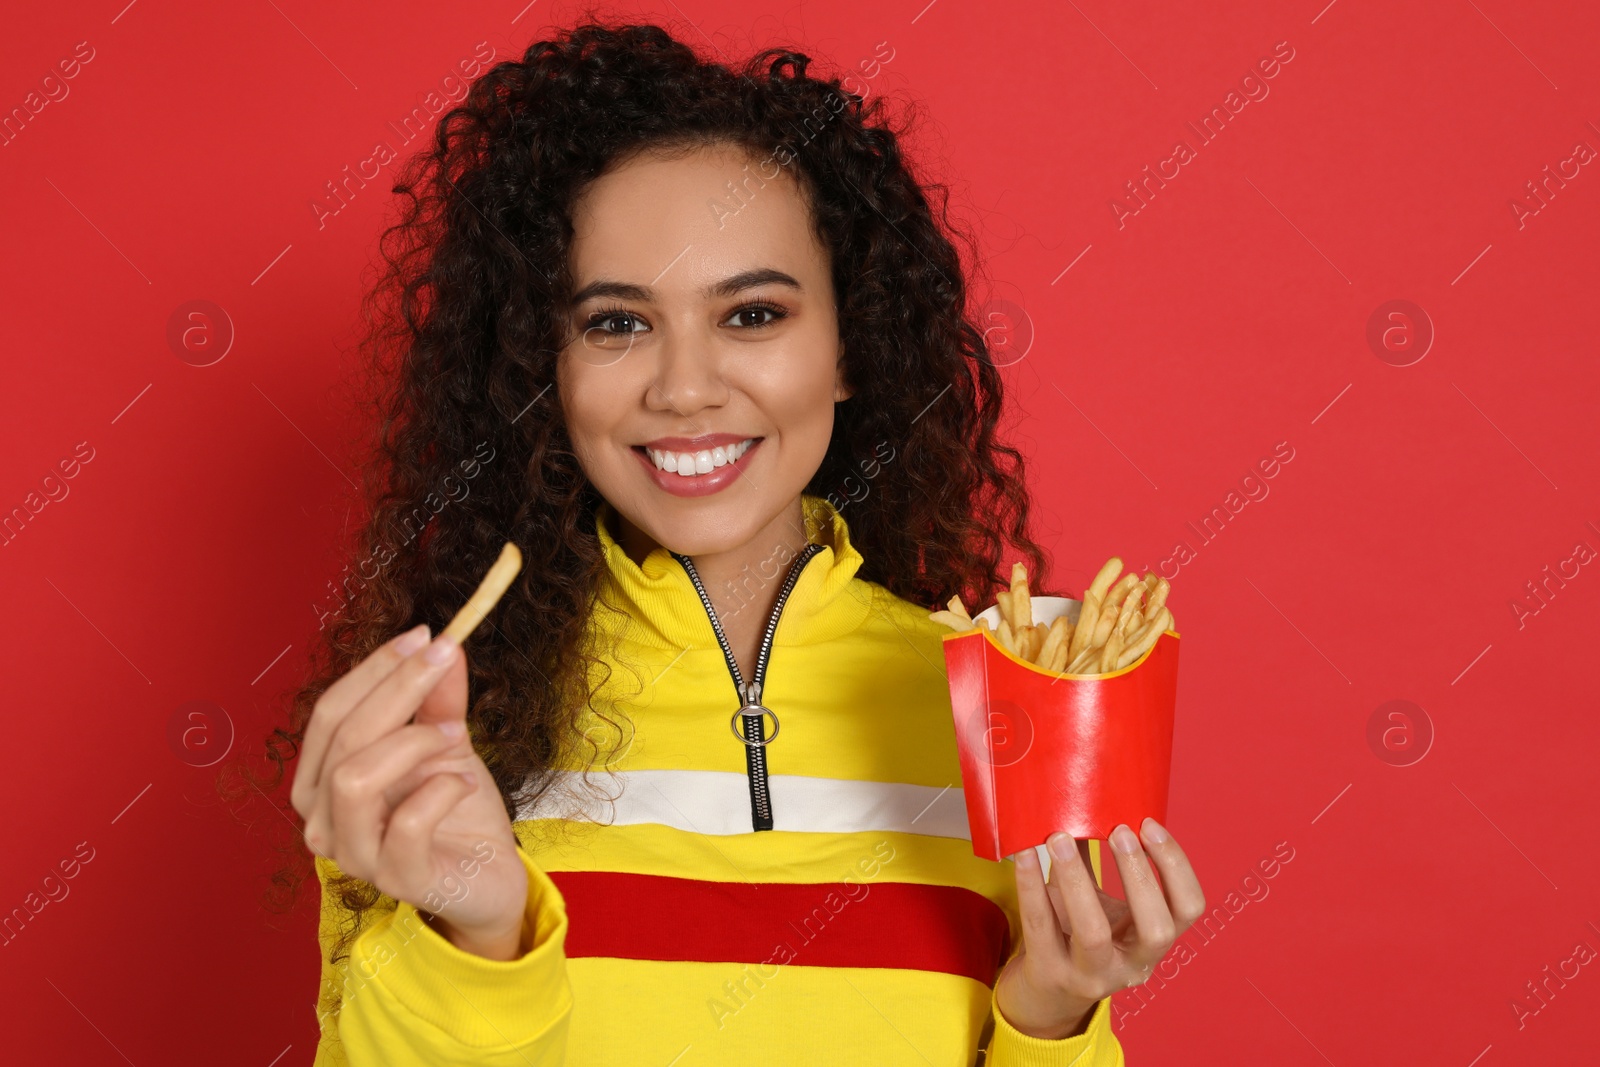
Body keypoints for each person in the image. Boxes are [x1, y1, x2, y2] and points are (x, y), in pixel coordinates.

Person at [278, 19, 1206, 1066]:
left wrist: (1049, 1011)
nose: (683, 388)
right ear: (545, 365)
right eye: (617, 323)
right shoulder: (441, 736)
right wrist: (478, 935)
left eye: (752, 314)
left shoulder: (999, 708)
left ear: (851, 345)